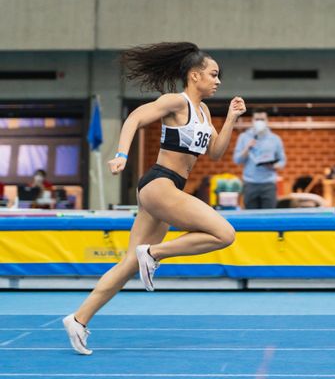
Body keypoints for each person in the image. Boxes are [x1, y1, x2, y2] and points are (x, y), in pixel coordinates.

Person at [62, 42, 246, 355]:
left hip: (168, 189)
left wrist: (230, 118)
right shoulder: (177, 102)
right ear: (194, 75)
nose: (218, 81)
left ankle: (78, 319)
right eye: (213, 74)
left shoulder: (203, 112)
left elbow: (215, 153)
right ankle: (155, 253)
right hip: (160, 183)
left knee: (129, 264)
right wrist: (121, 154)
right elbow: (134, 118)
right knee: (224, 234)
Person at [233, 111, 286, 209]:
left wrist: (272, 165)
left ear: (267, 121)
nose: (259, 122)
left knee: (269, 219)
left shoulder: (275, 139)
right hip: (250, 184)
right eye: (257, 119)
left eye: (262, 119)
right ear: (252, 121)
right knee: (251, 219)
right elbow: (237, 160)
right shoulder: (244, 137)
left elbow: (282, 162)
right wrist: (247, 148)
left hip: (269, 184)